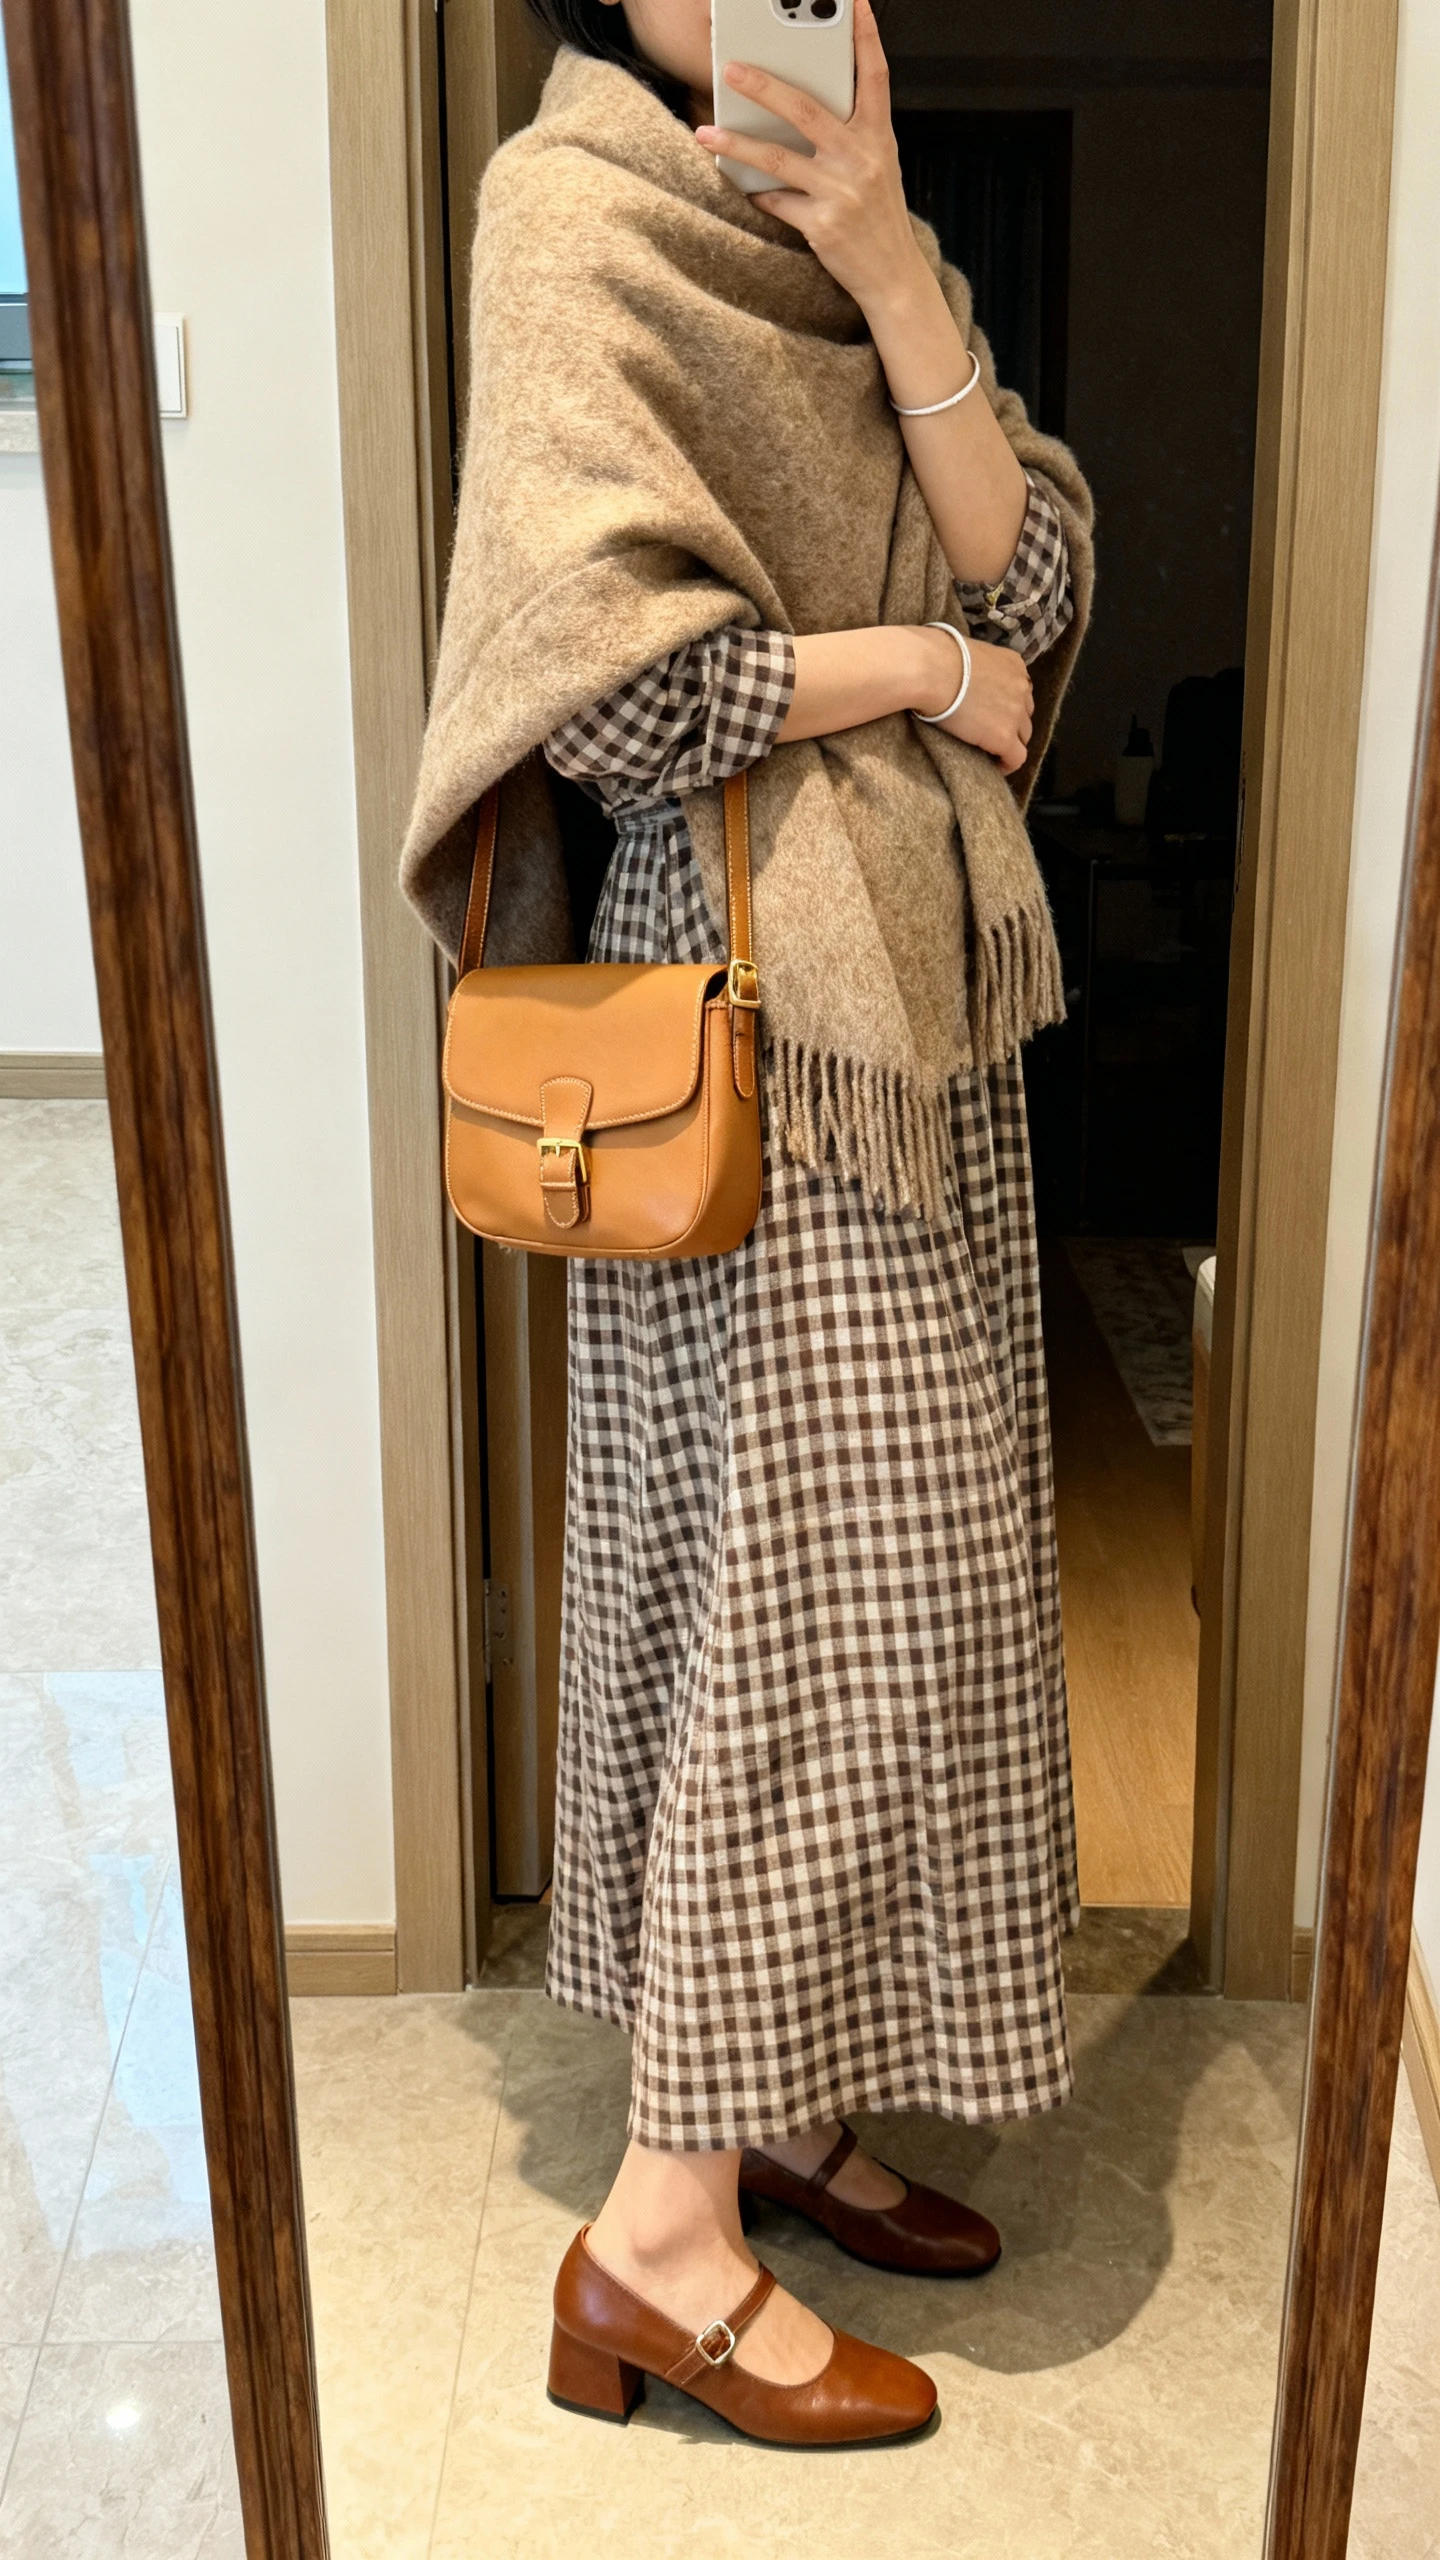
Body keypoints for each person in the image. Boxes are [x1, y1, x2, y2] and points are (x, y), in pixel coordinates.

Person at [402, 0, 1093, 2448]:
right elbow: (597, 692)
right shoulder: (565, 215)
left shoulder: (853, 223)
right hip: (754, 1029)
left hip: (929, 1030)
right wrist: (917, 665)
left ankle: (772, 2098)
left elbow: (1057, 574)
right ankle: (655, 2236)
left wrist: (900, 261)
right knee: (803, 1613)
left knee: (861, 1597)